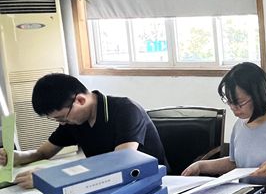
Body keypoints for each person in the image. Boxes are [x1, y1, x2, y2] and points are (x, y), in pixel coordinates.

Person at [0, 73, 168, 188]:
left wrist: (54, 175)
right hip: (108, 183)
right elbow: (43, 153)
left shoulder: (125, 109)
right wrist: (17, 156)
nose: (63, 124)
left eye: (62, 118)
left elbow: (121, 161)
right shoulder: (74, 120)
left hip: (149, 180)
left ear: (80, 100)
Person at [182, 62, 266, 188]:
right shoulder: (240, 124)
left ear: (259, 95)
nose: (233, 108)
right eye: (229, 102)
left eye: (239, 103)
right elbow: (236, 163)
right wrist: (201, 166)